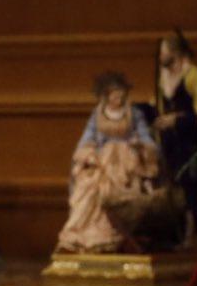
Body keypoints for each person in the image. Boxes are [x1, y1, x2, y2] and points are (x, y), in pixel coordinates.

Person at [56, 71, 173, 254]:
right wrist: (89, 155)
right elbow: (86, 140)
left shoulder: (133, 114)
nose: (118, 96)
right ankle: (88, 235)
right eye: (114, 93)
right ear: (106, 95)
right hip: (103, 162)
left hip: (128, 162)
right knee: (89, 187)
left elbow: (147, 139)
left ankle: (117, 232)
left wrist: (140, 145)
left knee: (122, 185)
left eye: (120, 92)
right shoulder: (97, 116)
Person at [151, 29, 197, 246]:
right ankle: (174, 234)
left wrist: (176, 120)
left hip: (189, 144)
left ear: (175, 53)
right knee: (172, 188)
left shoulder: (194, 76)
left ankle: (191, 232)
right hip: (170, 144)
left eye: (164, 52)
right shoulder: (163, 79)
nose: (160, 57)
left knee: (190, 189)